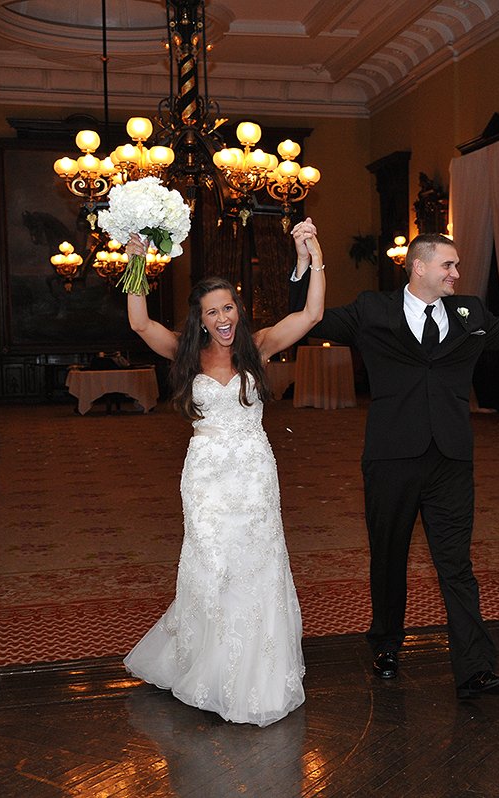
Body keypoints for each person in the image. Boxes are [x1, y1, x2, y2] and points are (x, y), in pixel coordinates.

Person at [290, 229, 499, 699]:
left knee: (456, 564)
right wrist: (305, 263)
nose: (456, 273)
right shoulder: (372, 310)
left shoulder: (469, 310)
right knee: (389, 558)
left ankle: (475, 667)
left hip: (450, 458)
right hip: (391, 457)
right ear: (419, 267)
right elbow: (313, 320)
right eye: (448, 265)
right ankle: (386, 645)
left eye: (455, 266)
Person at [122, 219, 325, 725]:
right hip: (206, 474)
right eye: (212, 312)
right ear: (200, 319)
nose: (222, 317)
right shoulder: (185, 352)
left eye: (228, 307)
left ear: (238, 309)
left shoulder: (259, 343)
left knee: (257, 563)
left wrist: (313, 252)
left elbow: (313, 312)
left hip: (255, 473)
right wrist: (136, 261)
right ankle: (206, 664)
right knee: (212, 564)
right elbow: (140, 325)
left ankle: (258, 668)